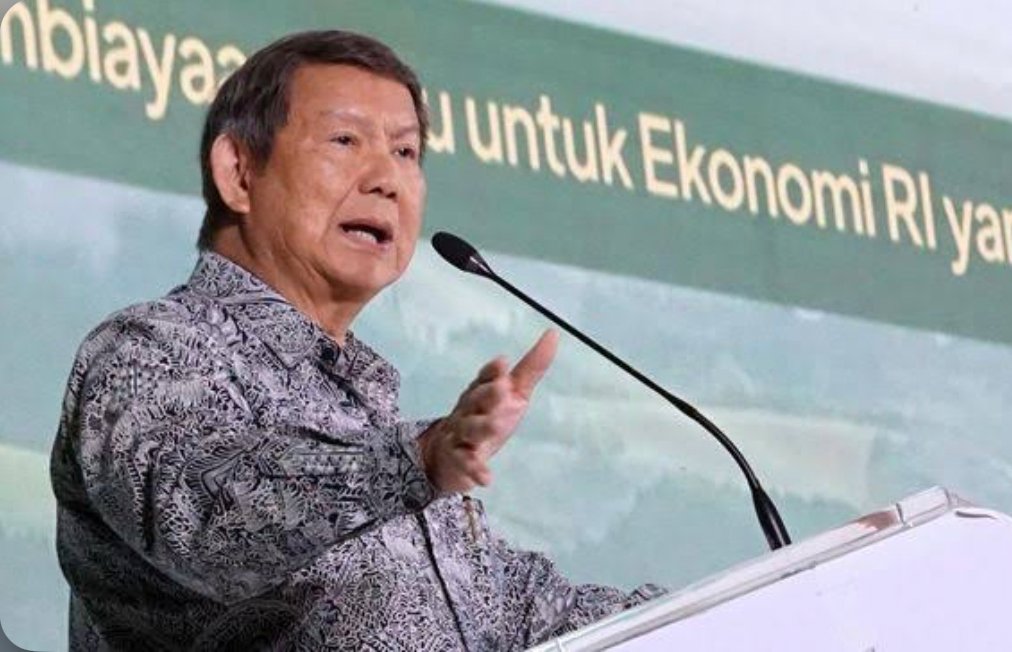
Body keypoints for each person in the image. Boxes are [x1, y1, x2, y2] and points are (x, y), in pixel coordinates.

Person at [51, 30, 663, 651]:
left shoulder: (373, 410)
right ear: (238, 172)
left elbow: (512, 608)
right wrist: (412, 461)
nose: (387, 179)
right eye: (345, 141)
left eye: (405, 151)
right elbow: (201, 514)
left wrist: (700, 618)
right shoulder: (146, 351)